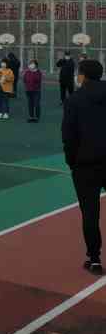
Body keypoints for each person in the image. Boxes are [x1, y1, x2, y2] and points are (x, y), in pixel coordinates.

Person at [62, 59, 106, 274]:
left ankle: (94, 258)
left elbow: (69, 135)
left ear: (83, 75)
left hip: (85, 165)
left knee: (90, 214)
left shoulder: (75, 100)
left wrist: (72, 160)